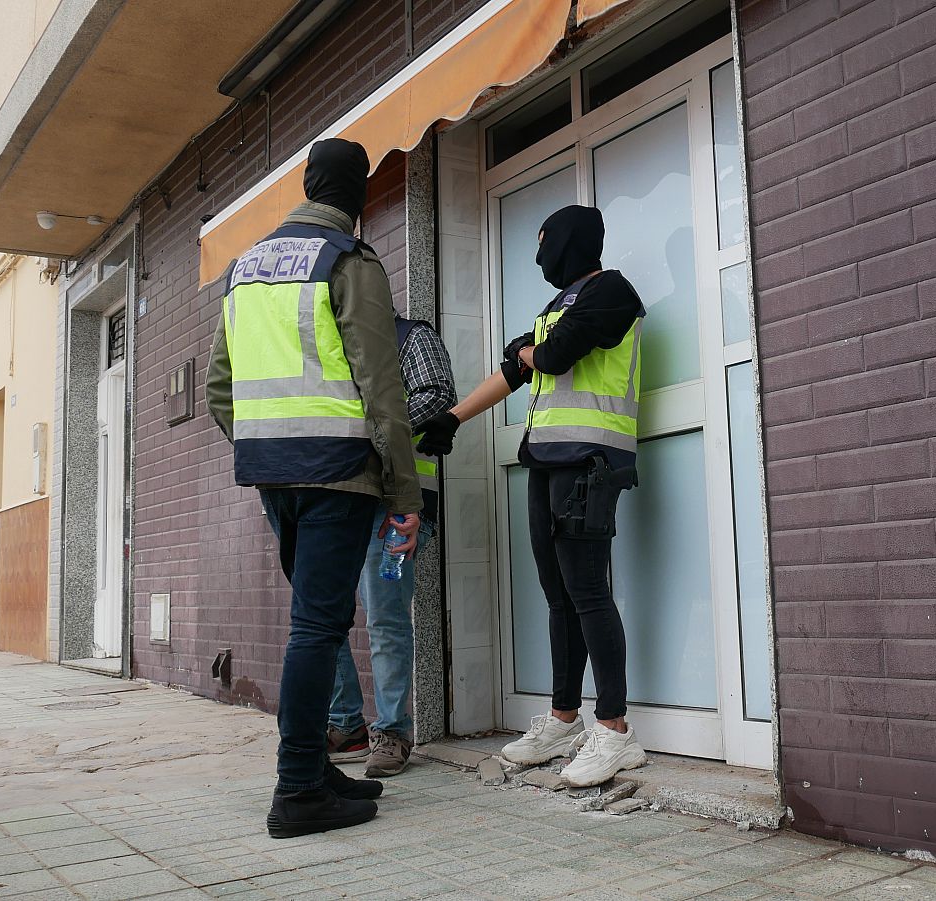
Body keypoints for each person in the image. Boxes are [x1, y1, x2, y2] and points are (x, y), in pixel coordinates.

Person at [206, 138, 421, 838]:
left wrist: (266, 444)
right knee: (316, 627)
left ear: (305, 186)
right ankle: (298, 787)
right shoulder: (348, 261)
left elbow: (218, 386)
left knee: (316, 620)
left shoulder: (245, 267)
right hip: (338, 472)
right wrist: (405, 494)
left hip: (275, 475)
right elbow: (381, 386)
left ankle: (316, 770)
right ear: (356, 199)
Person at [419, 205, 647, 787]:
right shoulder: (556, 306)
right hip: (547, 463)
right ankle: (564, 718)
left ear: (569, 243)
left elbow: (550, 357)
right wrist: (452, 417)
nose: (539, 258)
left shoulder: (612, 292)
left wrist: (529, 350)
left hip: (590, 462)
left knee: (589, 593)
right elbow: (516, 371)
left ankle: (616, 730)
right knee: (558, 595)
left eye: (544, 244)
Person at [326, 314, 454, 777]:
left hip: (396, 507)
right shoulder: (330, 345)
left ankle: (393, 731)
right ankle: (346, 725)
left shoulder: (409, 337)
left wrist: (371, 431)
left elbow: (437, 395)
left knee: (386, 619)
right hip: (339, 500)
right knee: (325, 618)